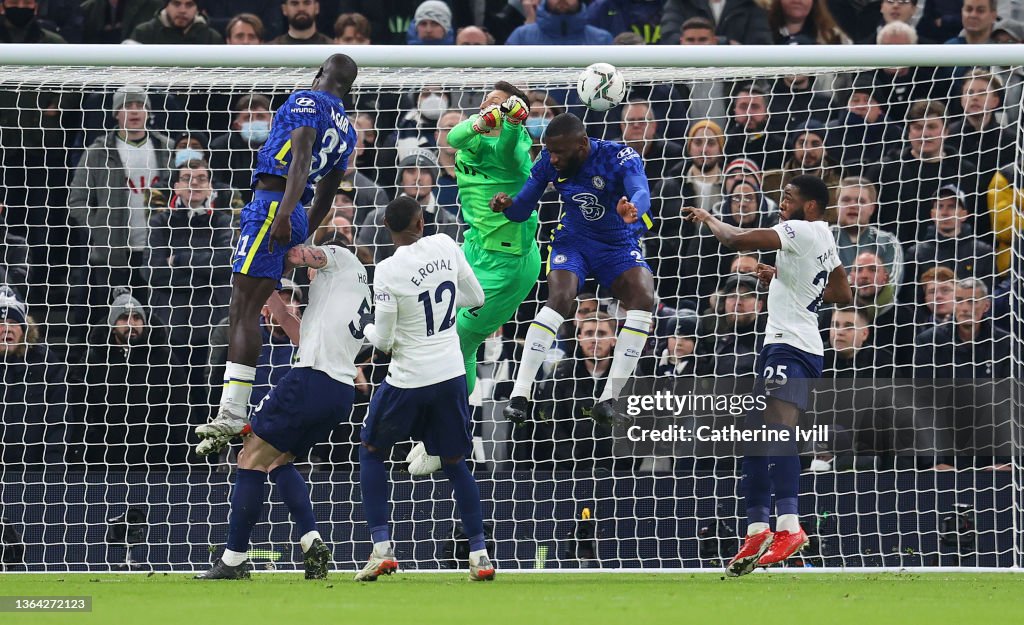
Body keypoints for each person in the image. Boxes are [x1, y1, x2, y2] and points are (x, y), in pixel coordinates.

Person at [682, 174, 852, 576]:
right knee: (756, 439)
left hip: (789, 346)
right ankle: (758, 528)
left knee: (776, 432)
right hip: (793, 345)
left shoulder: (799, 228)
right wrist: (782, 278)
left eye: (787, 197)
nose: (781, 203)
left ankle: (789, 526)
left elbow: (736, 240)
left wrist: (708, 218)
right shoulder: (824, 235)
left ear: (809, 205)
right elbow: (843, 295)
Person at [194, 54, 359, 453]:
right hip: (296, 212)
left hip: (273, 204)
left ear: (320, 73)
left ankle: (232, 412)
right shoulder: (348, 131)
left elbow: (300, 156)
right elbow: (329, 189)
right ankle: (233, 411)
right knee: (251, 307)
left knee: (243, 308)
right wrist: (305, 228)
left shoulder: (307, 100)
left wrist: (283, 214)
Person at [196, 242, 372, 579]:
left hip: (312, 379)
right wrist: (271, 297)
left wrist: (255, 256)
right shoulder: (350, 290)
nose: (307, 272)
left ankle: (232, 560)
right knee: (278, 460)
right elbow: (301, 337)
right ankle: (311, 542)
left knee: (249, 457)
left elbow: (294, 255)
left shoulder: (338, 258)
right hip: (338, 392)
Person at [355, 196, 494, 582]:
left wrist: (364, 329)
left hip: (409, 379)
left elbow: (382, 341)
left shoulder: (386, 270)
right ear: (422, 221)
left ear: (387, 227)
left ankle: (382, 549)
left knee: (371, 450)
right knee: (454, 462)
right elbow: (477, 298)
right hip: (450, 374)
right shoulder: (446, 245)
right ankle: (480, 556)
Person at [491, 112, 656, 426]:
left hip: (617, 244)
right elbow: (523, 207)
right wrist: (506, 206)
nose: (552, 158)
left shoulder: (618, 157)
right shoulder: (546, 164)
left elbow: (641, 192)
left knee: (644, 296)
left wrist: (634, 208)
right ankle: (520, 393)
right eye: (548, 151)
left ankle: (609, 397)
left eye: (559, 153)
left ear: (582, 144)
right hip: (573, 241)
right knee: (561, 298)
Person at [446, 81, 539, 395]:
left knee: (461, 339)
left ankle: (452, 424)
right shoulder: (474, 140)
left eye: (498, 103)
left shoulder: (516, 149)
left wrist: (511, 123)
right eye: (486, 102)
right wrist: (485, 120)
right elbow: (452, 136)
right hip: (473, 247)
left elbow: (506, 152)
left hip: (507, 262)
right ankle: (439, 425)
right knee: (438, 326)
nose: (488, 107)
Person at [129, 0, 224, 44]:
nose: (182, 10)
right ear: (166, 6)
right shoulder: (144, 32)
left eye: (189, 5)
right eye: (176, 4)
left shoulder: (211, 38)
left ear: (197, 9)